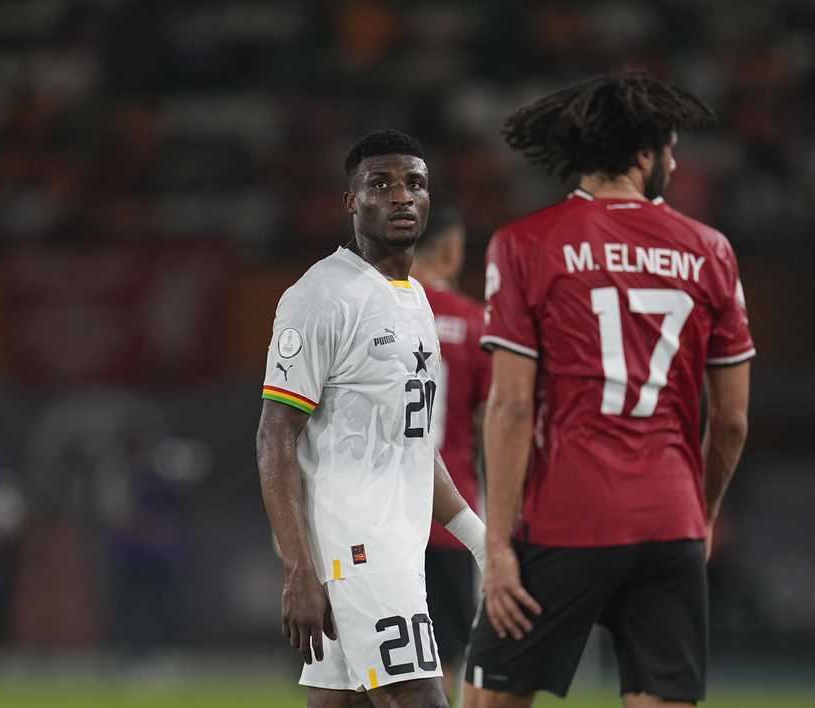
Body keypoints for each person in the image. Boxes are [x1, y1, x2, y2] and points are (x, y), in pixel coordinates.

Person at [463, 73, 755, 708]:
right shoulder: (711, 251)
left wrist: (498, 545)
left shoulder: (524, 244)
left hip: (567, 516)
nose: (675, 163)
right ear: (645, 154)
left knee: (489, 702)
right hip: (671, 523)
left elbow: (510, 406)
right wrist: (701, 514)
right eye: (671, 149)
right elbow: (732, 420)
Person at [257, 130, 487, 708]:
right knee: (422, 698)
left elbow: (414, 444)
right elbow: (275, 434)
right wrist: (297, 569)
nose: (401, 196)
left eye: (414, 184)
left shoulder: (414, 299)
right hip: (357, 550)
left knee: (342, 703)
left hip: (397, 546)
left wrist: (479, 541)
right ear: (351, 201)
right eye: (380, 184)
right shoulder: (321, 295)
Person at [409, 207, 490, 702]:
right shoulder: (473, 322)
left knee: (373, 649)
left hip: (377, 511)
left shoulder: (373, 311)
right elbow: (494, 418)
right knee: (441, 655)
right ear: (453, 251)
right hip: (450, 515)